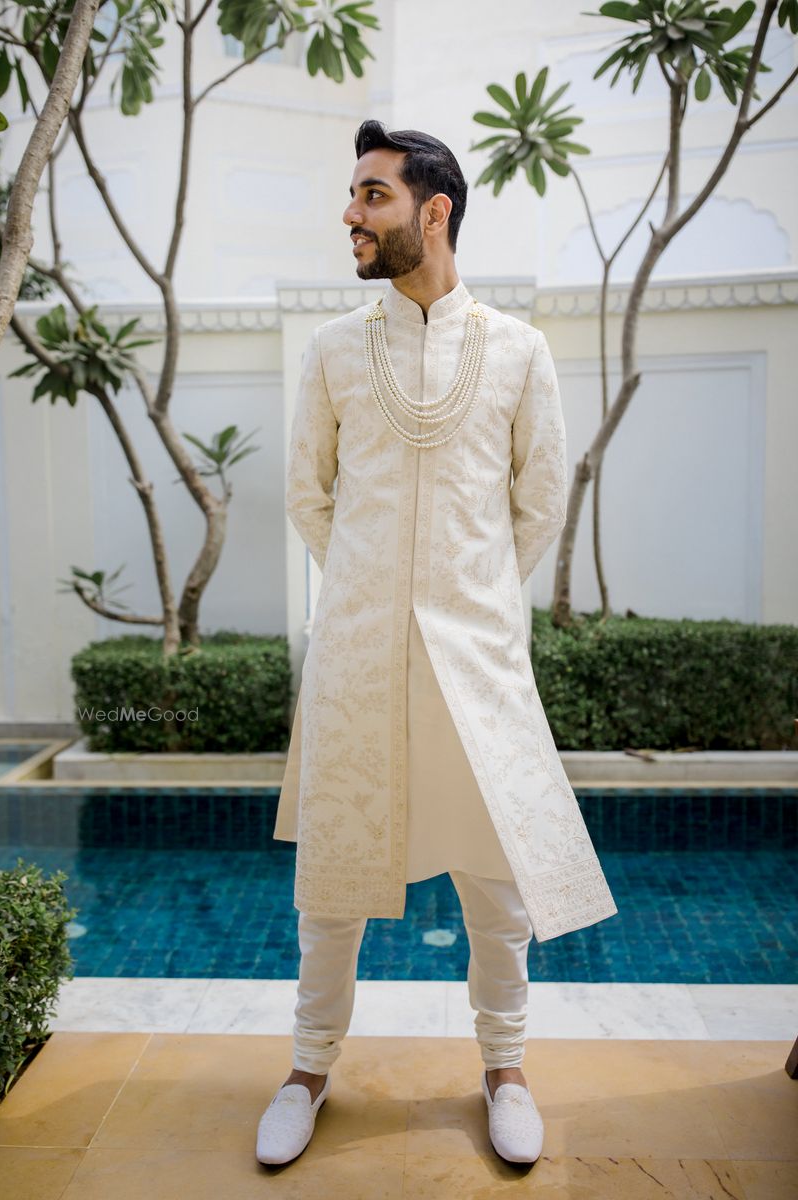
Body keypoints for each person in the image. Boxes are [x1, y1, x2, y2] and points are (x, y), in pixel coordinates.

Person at [256, 119, 618, 1168]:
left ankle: (504, 1068)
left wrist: (462, 593)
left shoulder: (515, 350)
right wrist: (376, 586)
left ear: (432, 210)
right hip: (359, 652)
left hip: (477, 656)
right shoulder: (332, 351)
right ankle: (305, 1069)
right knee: (333, 883)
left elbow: (536, 500)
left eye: (370, 195)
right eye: (352, 195)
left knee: (495, 882)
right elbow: (307, 497)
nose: (349, 214)